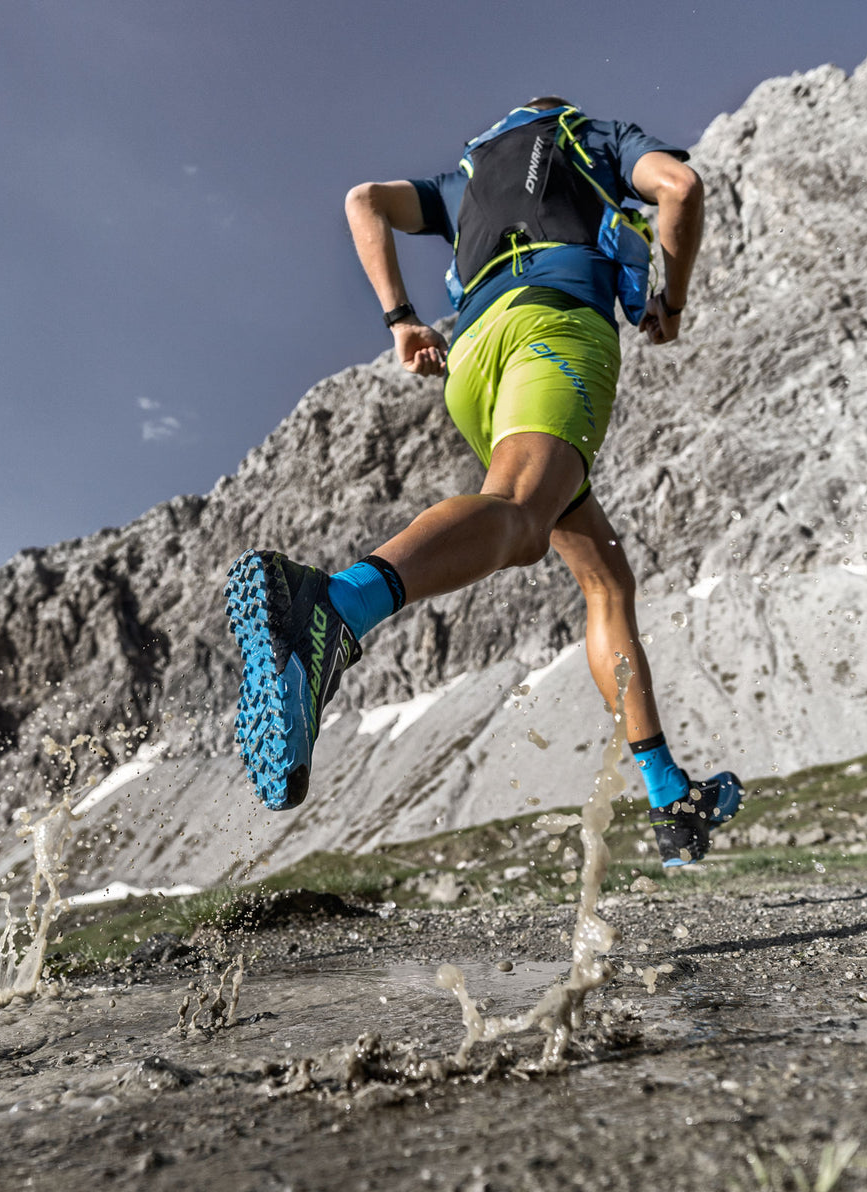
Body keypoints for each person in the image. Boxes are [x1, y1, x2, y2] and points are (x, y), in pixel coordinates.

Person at [224, 97, 742, 866]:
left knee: (603, 575)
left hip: (472, 360)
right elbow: (681, 189)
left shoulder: (465, 175)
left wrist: (401, 318)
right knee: (519, 516)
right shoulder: (592, 137)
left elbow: (363, 201)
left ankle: (670, 797)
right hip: (556, 326)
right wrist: (671, 299)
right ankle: (333, 607)